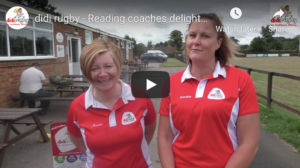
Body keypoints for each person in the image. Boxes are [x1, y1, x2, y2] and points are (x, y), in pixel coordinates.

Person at [158, 13, 260, 168]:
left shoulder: (241, 79)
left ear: (218, 43)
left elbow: (249, 143)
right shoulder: (171, 83)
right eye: (192, 35)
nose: (196, 41)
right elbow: (164, 138)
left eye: (205, 36)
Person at [67, 39, 157, 168]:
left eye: (108, 66)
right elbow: (77, 140)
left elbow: (150, 130)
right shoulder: (77, 107)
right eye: (94, 68)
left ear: (118, 67)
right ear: (87, 73)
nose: (103, 74)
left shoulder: (140, 96)